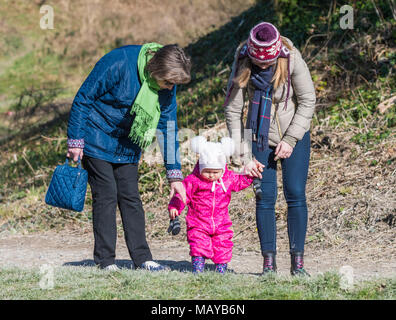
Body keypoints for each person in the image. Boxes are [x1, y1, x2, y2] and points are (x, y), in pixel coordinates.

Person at [66, 43, 191, 271]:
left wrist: (174, 176)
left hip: (129, 142)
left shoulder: (166, 85)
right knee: (106, 195)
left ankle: (142, 258)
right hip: (97, 136)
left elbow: (168, 127)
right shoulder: (119, 62)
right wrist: (75, 141)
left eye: (173, 84)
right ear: (156, 69)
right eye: (168, 82)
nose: (170, 88)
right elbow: (84, 98)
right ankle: (106, 261)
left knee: (130, 197)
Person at [224, 22, 316, 276]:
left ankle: (298, 264)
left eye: (268, 63)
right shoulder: (243, 59)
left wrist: (291, 139)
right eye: (259, 63)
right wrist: (243, 155)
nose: (263, 66)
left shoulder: (291, 58)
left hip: (293, 134)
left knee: (295, 193)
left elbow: (308, 100)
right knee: (264, 197)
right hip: (258, 136)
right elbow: (233, 110)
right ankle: (268, 265)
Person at [168, 136, 264, 274]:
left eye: (215, 172)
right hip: (198, 222)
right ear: (200, 167)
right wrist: (175, 207)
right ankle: (198, 267)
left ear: (222, 169)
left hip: (221, 223)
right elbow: (182, 195)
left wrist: (251, 174)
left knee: (223, 245)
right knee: (198, 244)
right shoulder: (193, 181)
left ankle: (221, 269)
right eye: (207, 171)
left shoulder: (228, 178)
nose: (211, 175)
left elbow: (240, 181)